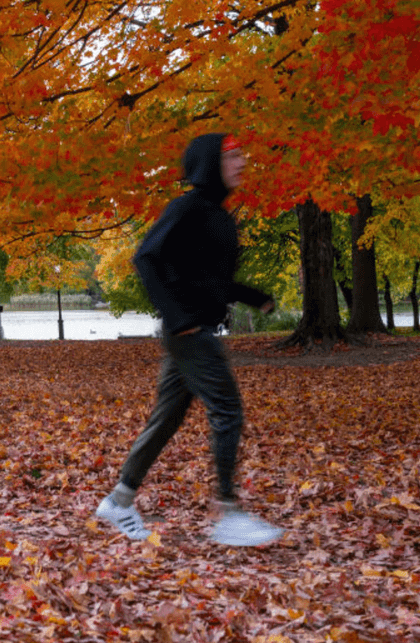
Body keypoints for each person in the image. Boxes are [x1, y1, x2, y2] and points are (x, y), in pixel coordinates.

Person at [95, 133, 283, 547]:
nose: (242, 163)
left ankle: (119, 500)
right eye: (232, 157)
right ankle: (228, 514)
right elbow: (145, 257)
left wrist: (252, 296)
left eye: (241, 155)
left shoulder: (218, 216)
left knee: (166, 419)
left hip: (193, 329)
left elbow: (208, 281)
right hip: (191, 333)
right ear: (209, 163)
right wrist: (178, 319)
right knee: (228, 410)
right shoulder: (187, 208)